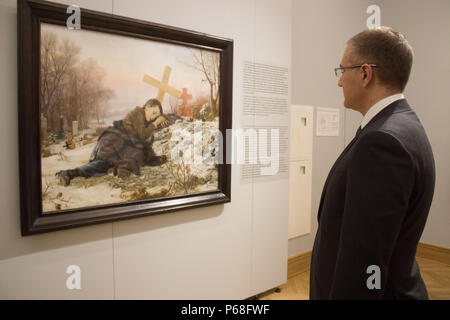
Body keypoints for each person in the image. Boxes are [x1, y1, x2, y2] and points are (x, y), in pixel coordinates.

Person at [310, 27, 435, 299]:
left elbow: (366, 261)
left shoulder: (382, 141)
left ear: (365, 73)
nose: (339, 82)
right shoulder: (404, 124)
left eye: (342, 70)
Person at [56, 98, 169, 186]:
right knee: (103, 163)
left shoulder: (143, 117)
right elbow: (142, 134)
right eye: (153, 113)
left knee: (107, 164)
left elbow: (144, 135)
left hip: (120, 142)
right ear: (147, 107)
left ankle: (71, 174)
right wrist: (156, 123)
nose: (154, 117)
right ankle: (69, 173)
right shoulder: (138, 113)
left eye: (156, 116)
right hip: (113, 141)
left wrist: (159, 123)